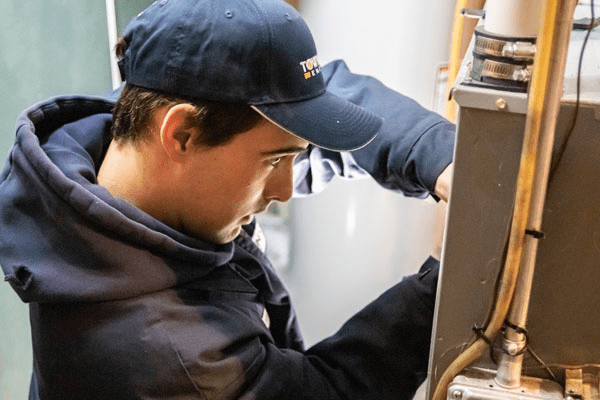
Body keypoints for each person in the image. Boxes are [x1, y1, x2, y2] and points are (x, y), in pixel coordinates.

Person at [0, 0, 455, 398]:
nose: (282, 190)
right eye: (274, 161)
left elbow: (311, 103)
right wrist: (450, 278)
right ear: (180, 133)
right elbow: (329, 390)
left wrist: (439, 158)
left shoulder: (136, 134)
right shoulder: (168, 359)